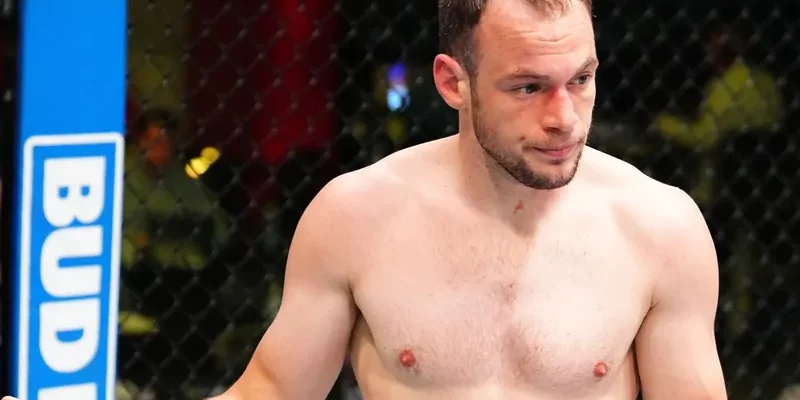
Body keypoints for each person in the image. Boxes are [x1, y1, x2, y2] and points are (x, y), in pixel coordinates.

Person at [4, 0, 727, 399]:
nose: (564, 117)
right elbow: (272, 392)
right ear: (452, 83)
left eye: (582, 79)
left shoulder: (658, 228)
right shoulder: (357, 217)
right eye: (528, 86)